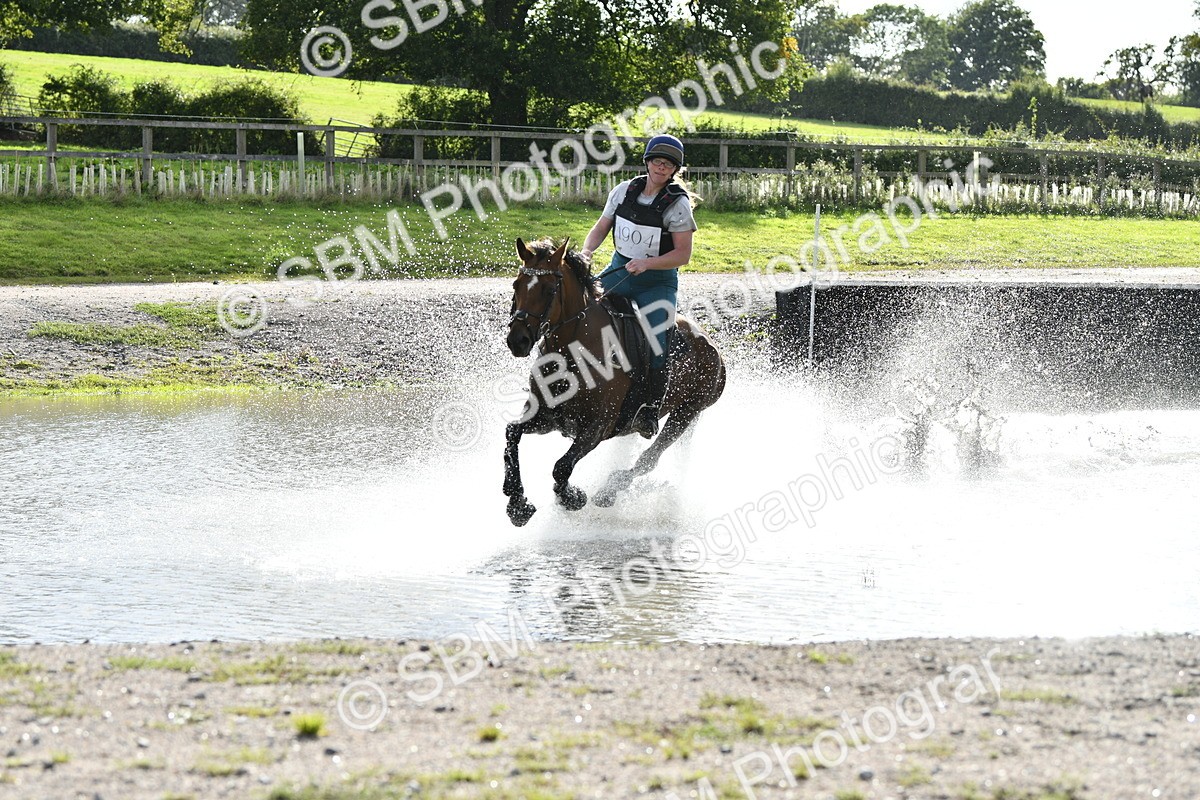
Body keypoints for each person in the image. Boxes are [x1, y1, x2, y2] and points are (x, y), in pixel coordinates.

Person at [580, 134, 698, 440]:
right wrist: (587, 252)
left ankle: (648, 409)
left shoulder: (678, 204)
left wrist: (647, 263)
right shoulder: (624, 190)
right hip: (619, 270)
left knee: (659, 339)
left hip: (656, 282)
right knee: (580, 310)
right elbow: (600, 228)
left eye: (668, 164)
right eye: (657, 161)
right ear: (647, 162)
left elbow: (683, 254)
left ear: (675, 169)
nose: (661, 167)